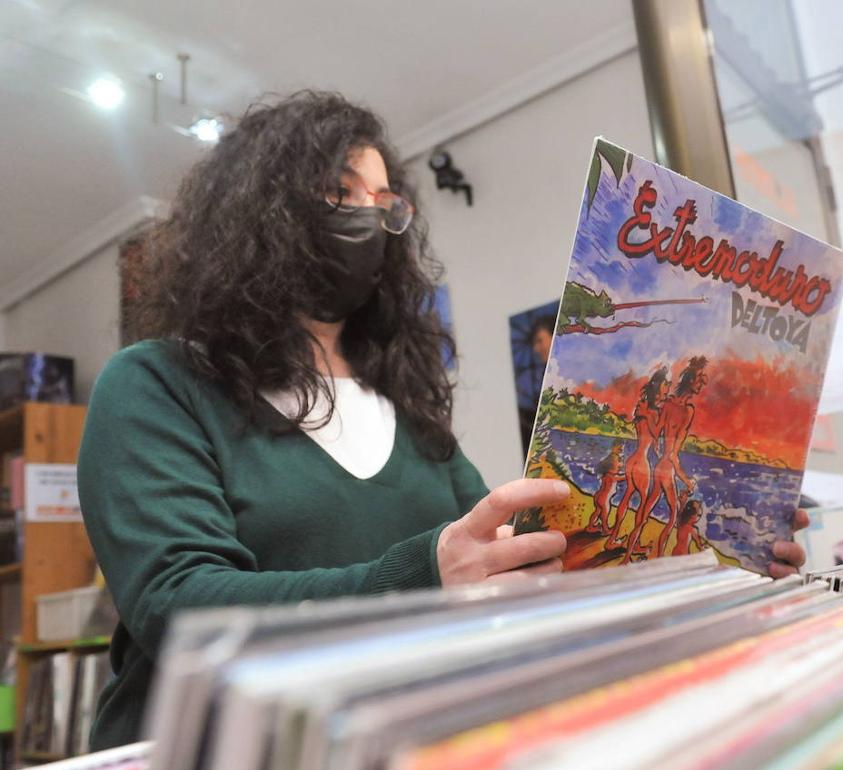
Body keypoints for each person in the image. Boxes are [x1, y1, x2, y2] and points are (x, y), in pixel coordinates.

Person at [76, 92, 571, 750]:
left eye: (385, 202)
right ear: (261, 210)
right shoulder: (155, 384)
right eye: (342, 191)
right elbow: (180, 605)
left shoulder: (409, 409)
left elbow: (486, 555)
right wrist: (422, 577)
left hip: (386, 744)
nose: (370, 217)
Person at [638, 356, 706, 559]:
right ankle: (658, 559)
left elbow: (656, 433)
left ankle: (631, 551)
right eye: (700, 379)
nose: (702, 383)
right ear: (690, 380)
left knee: (646, 509)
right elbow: (673, 453)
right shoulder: (687, 411)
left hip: (660, 466)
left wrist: (646, 416)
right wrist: (686, 480)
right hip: (667, 468)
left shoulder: (667, 404)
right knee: (672, 519)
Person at [606, 368, 667, 551]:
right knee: (642, 503)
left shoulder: (641, 406)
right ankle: (636, 544)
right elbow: (656, 434)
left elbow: (645, 432)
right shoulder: (652, 412)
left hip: (632, 459)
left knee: (627, 496)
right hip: (641, 461)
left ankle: (612, 538)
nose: (667, 387)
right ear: (658, 387)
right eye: (665, 384)